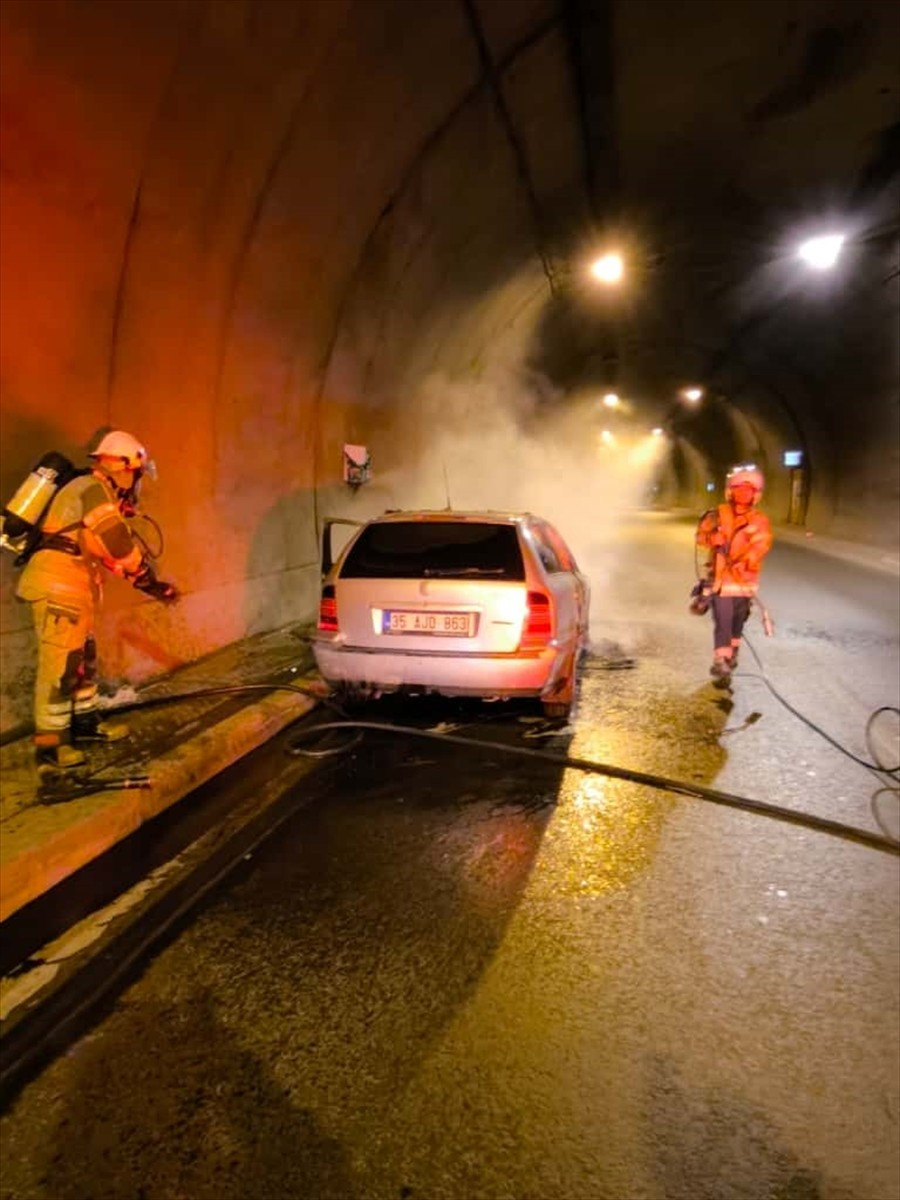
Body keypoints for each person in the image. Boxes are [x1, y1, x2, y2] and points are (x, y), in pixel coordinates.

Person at [15, 430, 179, 774]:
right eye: (135, 474)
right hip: (58, 589)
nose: (135, 483)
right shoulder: (91, 490)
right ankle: (50, 746)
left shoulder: (91, 492)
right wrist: (146, 574)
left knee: (81, 663)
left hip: (73, 590)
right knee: (59, 670)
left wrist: (148, 583)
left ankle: (86, 725)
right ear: (121, 466)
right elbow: (117, 543)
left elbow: (105, 553)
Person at [695, 464, 773, 684]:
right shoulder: (717, 515)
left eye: (748, 490)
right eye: (739, 489)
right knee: (723, 618)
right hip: (721, 580)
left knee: (737, 620)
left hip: (744, 582)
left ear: (755, 495)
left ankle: (733, 652)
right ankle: (721, 659)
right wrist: (713, 539)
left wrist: (746, 559)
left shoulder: (759, 521)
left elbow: (762, 545)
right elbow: (700, 537)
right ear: (731, 491)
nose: (743, 494)